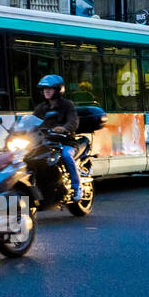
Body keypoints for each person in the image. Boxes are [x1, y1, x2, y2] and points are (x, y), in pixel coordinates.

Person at [32, 74, 86, 202]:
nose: (46, 91)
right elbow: (34, 121)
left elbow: (73, 122)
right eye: (45, 89)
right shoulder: (41, 107)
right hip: (47, 142)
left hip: (65, 141)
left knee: (67, 156)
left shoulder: (67, 105)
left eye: (50, 88)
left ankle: (77, 187)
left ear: (58, 90)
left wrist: (65, 128)